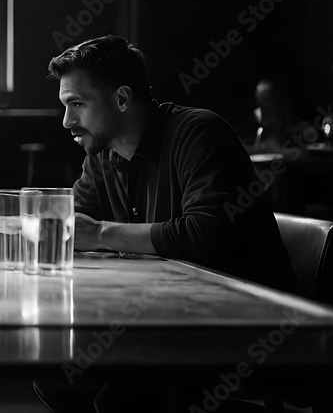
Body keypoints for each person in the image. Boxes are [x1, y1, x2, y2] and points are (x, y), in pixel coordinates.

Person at [34, 35, 297, 412]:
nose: (66, 121)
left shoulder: (198, 133)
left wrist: (102, 234)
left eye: (77, 104)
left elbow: (205, 235)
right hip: (168, 322)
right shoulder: (102, 156)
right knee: (57, 374)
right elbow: (67, 226)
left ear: (122, 99)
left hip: (249, 331)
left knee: (123, 396)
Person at [249, 79, 311, 153]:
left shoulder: (300, 128)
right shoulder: (260, 128)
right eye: (259, 104)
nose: (260, 110)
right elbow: (255, 149)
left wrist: (279, 151)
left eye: (267, 99)